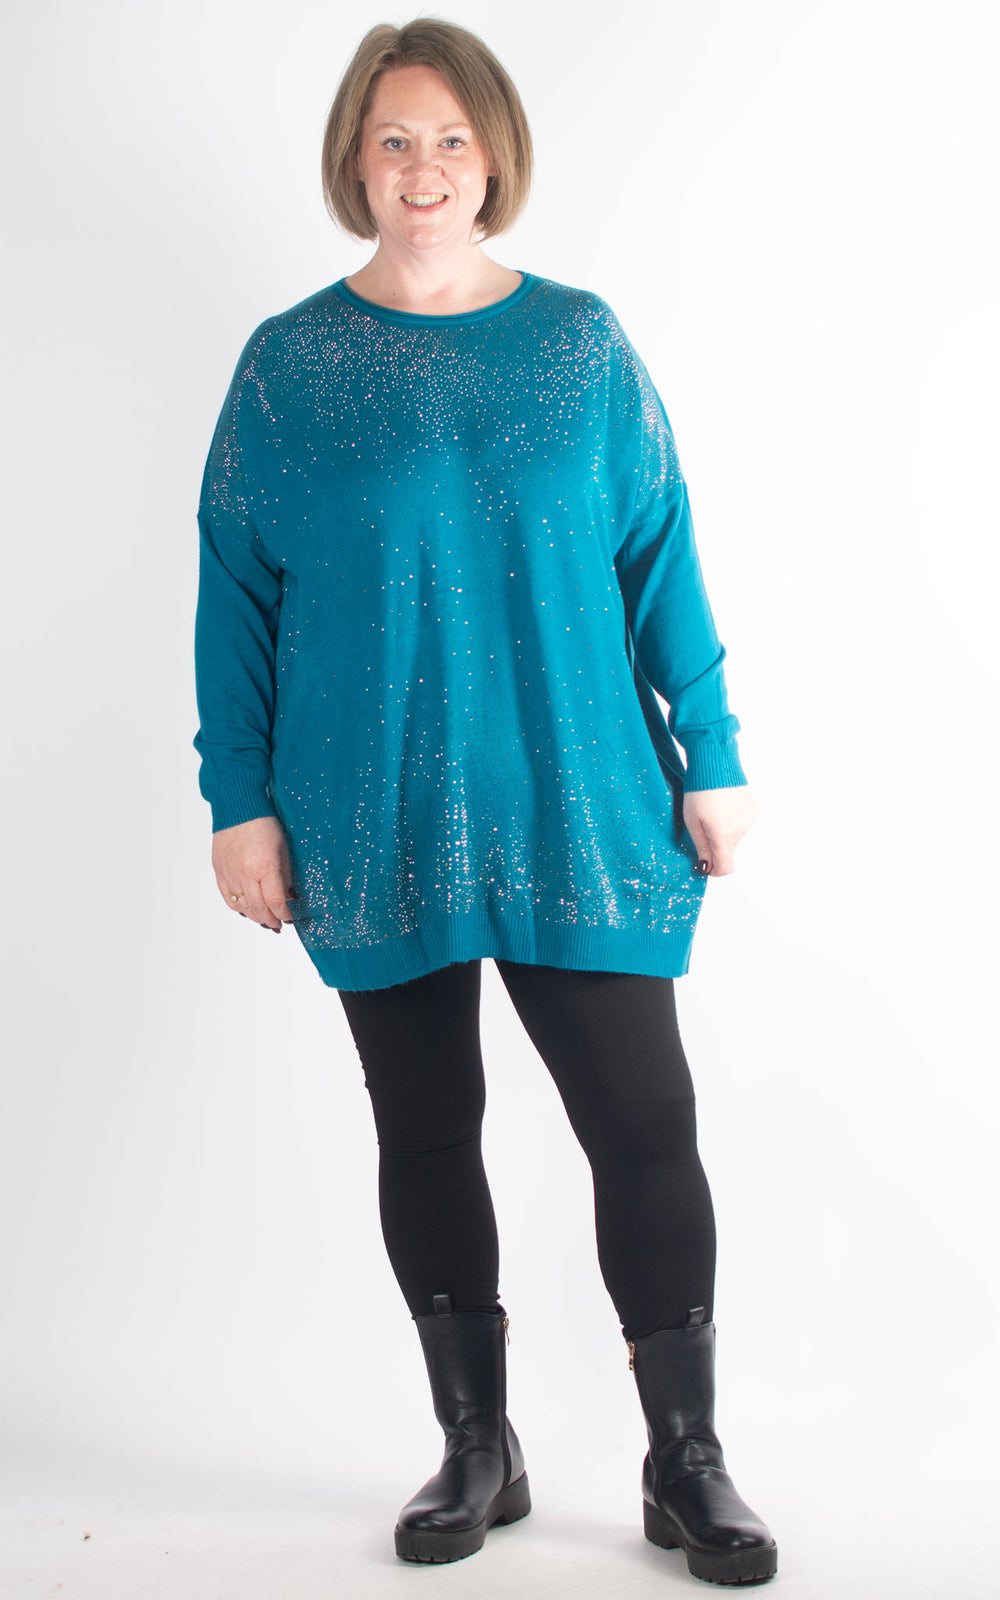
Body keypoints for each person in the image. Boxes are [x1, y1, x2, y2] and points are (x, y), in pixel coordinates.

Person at [193, 17, 778, 1586]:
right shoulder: (290, 367)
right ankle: (478, 1444)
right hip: (367, 804)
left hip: (581, 795)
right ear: (354, 159)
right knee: (427, 1124)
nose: (424, 168)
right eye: (394, 139)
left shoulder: (581, 344)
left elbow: (659, 551)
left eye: (451, 138)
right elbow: (234, 592)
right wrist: (238, 801)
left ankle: (685, 1457)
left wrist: (713, 753)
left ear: (496, 155)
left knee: (644, 1120)